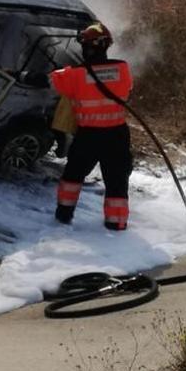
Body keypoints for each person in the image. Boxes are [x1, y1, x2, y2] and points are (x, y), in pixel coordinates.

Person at [49, 22, 134, 230]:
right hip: (117, 135)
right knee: (117, 181)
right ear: (106, 46)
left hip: (88, 136)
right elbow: (127, 88)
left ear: (86, 48)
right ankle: (117, 225)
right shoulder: (122, 69)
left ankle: (63, 218)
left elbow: (46, 80)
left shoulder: (75, 75)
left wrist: (16, 74)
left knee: (72, 177)